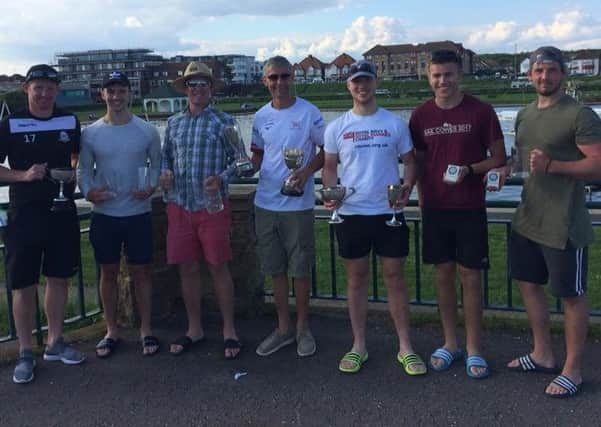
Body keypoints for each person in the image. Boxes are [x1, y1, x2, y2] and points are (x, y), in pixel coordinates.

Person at [498, 46, 601, 398]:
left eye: (552, 70)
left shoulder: (581, 115)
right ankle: (542, 354)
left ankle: (573, 370)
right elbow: (524, 160)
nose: (545, 77)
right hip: (528, 217)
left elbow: (597, 165)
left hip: (564, 222)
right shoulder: (525, 115)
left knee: (571, 296)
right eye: (539, 71)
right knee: (529, 285)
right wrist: (504, 170)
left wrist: (553, 167)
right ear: (530, 76)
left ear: (563, 74)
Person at [322, 60, 425, 375]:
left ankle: (405, 346)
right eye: (356, 81)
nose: (361, 86)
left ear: (375, 83)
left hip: (388, 211)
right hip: (351, 213)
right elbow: (329, 167)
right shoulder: (336, 127)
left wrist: (407, 186)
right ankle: (358, 345)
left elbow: (410, 162)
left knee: (395, 279)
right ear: (348, 86)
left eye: (366, 80)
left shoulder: (395, 123)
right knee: (356, 280)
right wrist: (330, 193)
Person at [409, 49, 506, 379]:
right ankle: (451, 343)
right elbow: (419, 164)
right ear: (428, 77)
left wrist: (469, 169)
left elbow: (499, 158)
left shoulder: (481, 111)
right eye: (436, 75)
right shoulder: (420, 115)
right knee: (443, 277)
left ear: (459, 75)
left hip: (469, 207)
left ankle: (475, 347)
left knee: (471, 278)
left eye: (448, 74)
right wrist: (421, 202)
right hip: (435, 209)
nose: (442, 81)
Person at [0, 64, 85, 384]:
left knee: (59, 277)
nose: (45, 93)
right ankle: (25, 351)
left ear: (57, 90)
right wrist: (22, 175)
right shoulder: (11, 123)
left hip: (61, 211)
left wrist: (72, 174)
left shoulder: (70, 120)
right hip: (25, 212)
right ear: (27, 89)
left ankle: (55, 341)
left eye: (50, 87)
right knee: (24, 283)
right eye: (38, 87)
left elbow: (75, 155)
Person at [159, 62, 241, 359]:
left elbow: (241, 161)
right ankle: (195, 328)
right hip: (179, 205)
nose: (197, 90)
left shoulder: (225, 121)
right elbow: (164, 158)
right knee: (188, 268)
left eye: (202, 85)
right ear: (186, 90)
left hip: (212, 206)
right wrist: (165, 173)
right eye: (192, 85)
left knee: (219, 266)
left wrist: (222, 178)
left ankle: (229, 329)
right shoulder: (173, 123)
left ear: (211, 89)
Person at [78, 71, 161, 358]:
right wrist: (88, 192)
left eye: (121, 91)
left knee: (141, 272)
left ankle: (146, 329)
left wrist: (150, 186)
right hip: (105, 213)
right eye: (110, 91)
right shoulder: (90, 133)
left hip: (138, 211)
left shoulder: (146, 130)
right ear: (102, 95)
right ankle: (111, 329)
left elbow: (156, 165)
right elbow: (84, 170)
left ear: (130, 93)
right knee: (108, 272)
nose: (116, 97)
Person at [251, 56, 325, 358]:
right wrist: (244, 165)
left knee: (300, 269)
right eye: (273, 78)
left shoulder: (309, 112)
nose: (279, 83)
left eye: (284, 76)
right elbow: (256, 156)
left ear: (293, 77)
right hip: (265, 203)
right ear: (264, 81)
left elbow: (328, 150)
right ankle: (283, 329)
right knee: (276, 270)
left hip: (298, 204)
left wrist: (306, 172)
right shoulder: (259, 116)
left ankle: (302, 328)